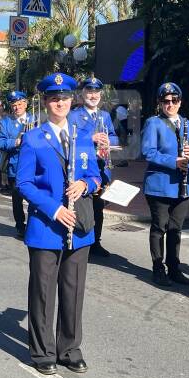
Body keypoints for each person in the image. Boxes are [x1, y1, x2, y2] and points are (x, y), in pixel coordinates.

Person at [17, 73, 102, 375]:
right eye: (54, 98)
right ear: (45, 102)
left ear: (72, 100)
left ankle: (69, 348)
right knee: (43, 291)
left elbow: (96, 176)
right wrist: (54, 210)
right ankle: (42, 351)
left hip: (79, 227)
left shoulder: (82, 134)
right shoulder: (33, 138)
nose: (60, 103)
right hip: (47, 226)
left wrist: (85, 185)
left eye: (65, 97)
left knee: (73, 289)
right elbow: (24, 183)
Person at [142, 82, 189, 287]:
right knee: (160, 227)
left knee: (176, 229)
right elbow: (148, 152)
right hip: (160, 184)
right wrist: (173, 161)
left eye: (174, 100)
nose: (170, 104)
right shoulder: (153, 123)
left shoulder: (188, 124)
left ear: (180, 102)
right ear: (159, 103)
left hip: (184, 185)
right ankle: (158, 268)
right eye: (165, 101)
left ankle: (174, 267)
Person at [71, 77, 120, 258]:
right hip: (83, 169)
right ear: (83, 93)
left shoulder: (104, 115)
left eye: (96, 92)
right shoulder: (74, 115)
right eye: (89, 92)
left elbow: (114, 136)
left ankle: (96, 242)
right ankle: (81, 240)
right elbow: (70, 139)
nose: (93, 95)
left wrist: (109, 140)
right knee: (82, 207)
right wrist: (91, 139)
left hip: (102, 168)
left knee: (99, 208)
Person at [0, 90, 32, 236]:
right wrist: (15, 142)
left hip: (33, 165)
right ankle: (20, 225)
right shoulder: (6, 122)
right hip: (15, 166)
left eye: (20, 104)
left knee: (33, 197)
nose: (17, 107)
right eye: (14, 105)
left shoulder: (34, 119)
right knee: (17, 199)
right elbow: (0, 142)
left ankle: (33, 224)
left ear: (26, 103)